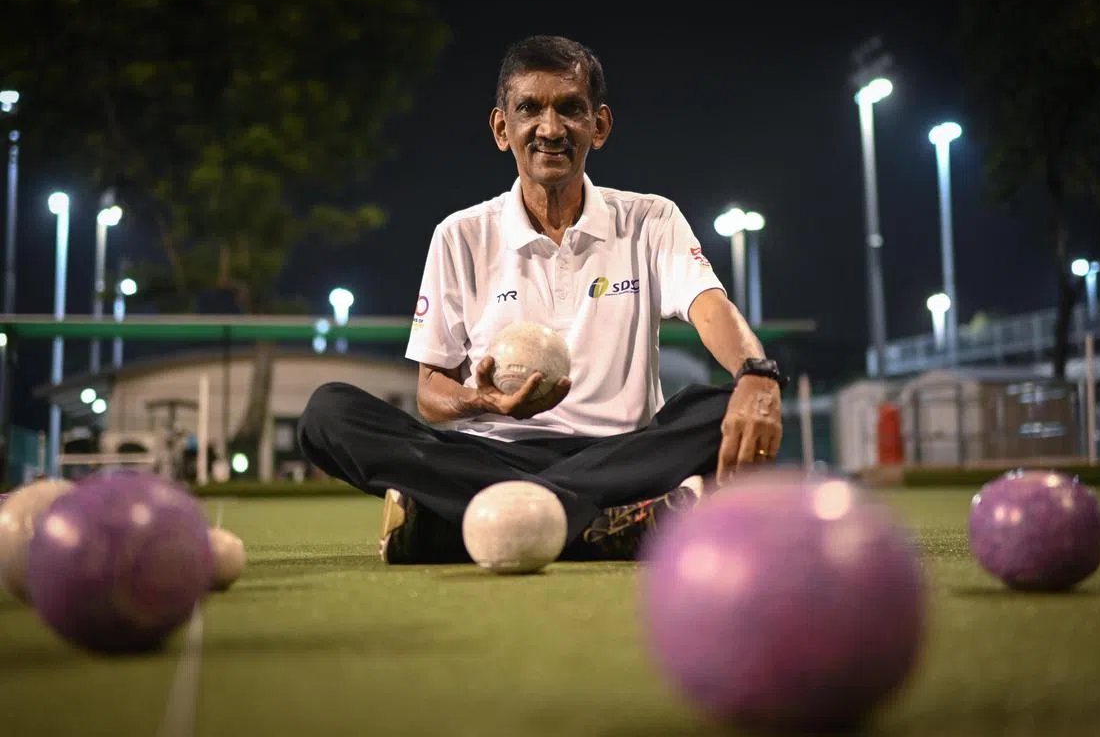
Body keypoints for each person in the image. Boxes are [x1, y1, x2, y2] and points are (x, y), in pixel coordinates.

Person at [298, 35, 787, 564]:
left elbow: (710, 308)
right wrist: (483, 401)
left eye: (570, 109)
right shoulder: (460, 235)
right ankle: (604, 523)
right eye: (529, 109)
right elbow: (430, 394)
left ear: (598, 126)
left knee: (720, 407)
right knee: (328, 412)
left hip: (620, 450)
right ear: (501, 128)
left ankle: (460, 522)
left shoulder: (651, 219)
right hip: (490, 451)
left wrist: (757, 373)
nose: (550, 129)